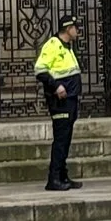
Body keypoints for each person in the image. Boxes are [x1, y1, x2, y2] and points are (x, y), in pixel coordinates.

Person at [34, 15, 85, 191]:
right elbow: (40, 70)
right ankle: (54, 178)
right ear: (68, 29)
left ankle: (62, 176)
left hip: (70, 99)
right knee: (61, 139)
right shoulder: (53, 45)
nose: (78, 31)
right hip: (60, 101)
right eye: (76, 27)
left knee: (66, 139)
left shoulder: (67, 47)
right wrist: (56, 86)